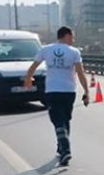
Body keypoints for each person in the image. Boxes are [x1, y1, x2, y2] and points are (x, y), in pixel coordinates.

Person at [24, 26, 89, 167]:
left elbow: (34, 66)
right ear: (65, 36)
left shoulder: (46, 50)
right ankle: (63, 147)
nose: (73, 40)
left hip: (53, 91)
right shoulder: (74, 52)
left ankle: (64, 148)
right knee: (64, 120)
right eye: (72, 37)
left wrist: (28, 79)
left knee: (59, 121)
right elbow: (80, 73)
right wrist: (86, 91)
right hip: (68, 91)